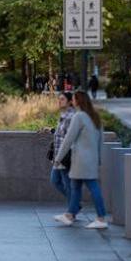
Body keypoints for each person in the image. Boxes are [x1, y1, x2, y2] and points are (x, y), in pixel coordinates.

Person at [53, 90, 107, 228]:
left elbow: (68, 139)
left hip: (80, 160)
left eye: (75, 99)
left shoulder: (79, 117)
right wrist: (99, 158)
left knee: (92, 187)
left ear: (78, 101)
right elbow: (101, 140)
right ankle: (70, 215)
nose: (73, 101)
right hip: (91, 159)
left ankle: (101, 219)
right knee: (75, 186)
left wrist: (58, 158)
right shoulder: (95, 117)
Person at [48, 90, 76, 202]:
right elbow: (62, 133)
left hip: (64, 156)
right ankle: (74, 205)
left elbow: (70, 137)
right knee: (55, 181)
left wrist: (61, 156)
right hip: (58, 155)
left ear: (70, 102)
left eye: (62, 99)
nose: (59, 101)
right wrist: (52, 130)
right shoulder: (64, 115)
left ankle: (72, 209)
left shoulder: (71, 116)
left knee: (67, 184)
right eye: (59, 99)